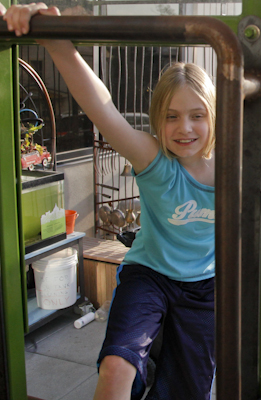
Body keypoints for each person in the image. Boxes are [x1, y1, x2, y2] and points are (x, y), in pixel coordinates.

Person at [3, 4, 217, 399]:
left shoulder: (230, 170)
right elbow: (101, 107)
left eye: (196, 115)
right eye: (171, 116)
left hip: (206, 287)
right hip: (149, 277)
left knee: (189, 389)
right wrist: (55, 41)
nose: (184, 128)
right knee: (116, 368)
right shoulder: (154, 160)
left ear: (214, 117)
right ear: (157, 121)